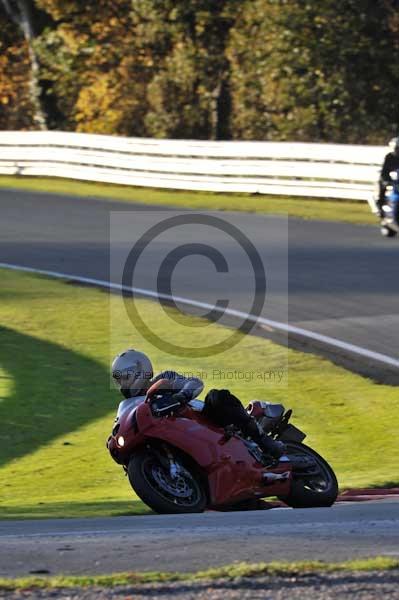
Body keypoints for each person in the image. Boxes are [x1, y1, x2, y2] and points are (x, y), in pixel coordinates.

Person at [111, 348, 286, 460]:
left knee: (217, 397)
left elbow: (195, 383)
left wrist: (181, 395)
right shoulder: (129, 406)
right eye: (119, 380)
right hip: (179, 437)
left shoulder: (163, 380)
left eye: (125, 377)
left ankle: (264, 440)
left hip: (206, 420)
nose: (122, 384)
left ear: (141, 370)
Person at [376, 137, 399, 217]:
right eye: (396, 148)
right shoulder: (389, 157)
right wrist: (386, 180)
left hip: (398, 179)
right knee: (383, 185)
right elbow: (384, 170)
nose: (397, 150)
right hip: (390, 178)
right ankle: (380, 205)